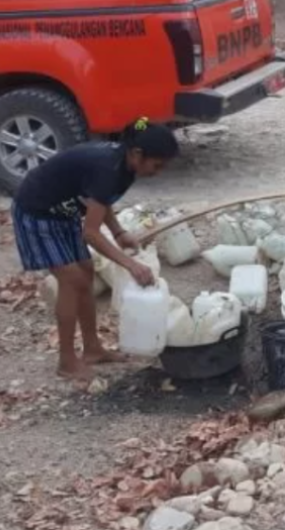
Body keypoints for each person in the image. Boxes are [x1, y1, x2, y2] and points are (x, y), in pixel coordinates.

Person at [10, 119, 180, 380]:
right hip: (37, 211)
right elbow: (90, 233)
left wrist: (119, 232)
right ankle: (66, 361)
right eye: (156, 165)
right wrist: (131, 264)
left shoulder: (124, 166)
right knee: (72, 279)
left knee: (86, 271)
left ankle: (92, 349)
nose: (157, 171)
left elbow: (101, 198)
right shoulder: (109, 168)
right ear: (137, 154)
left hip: (64, 212)